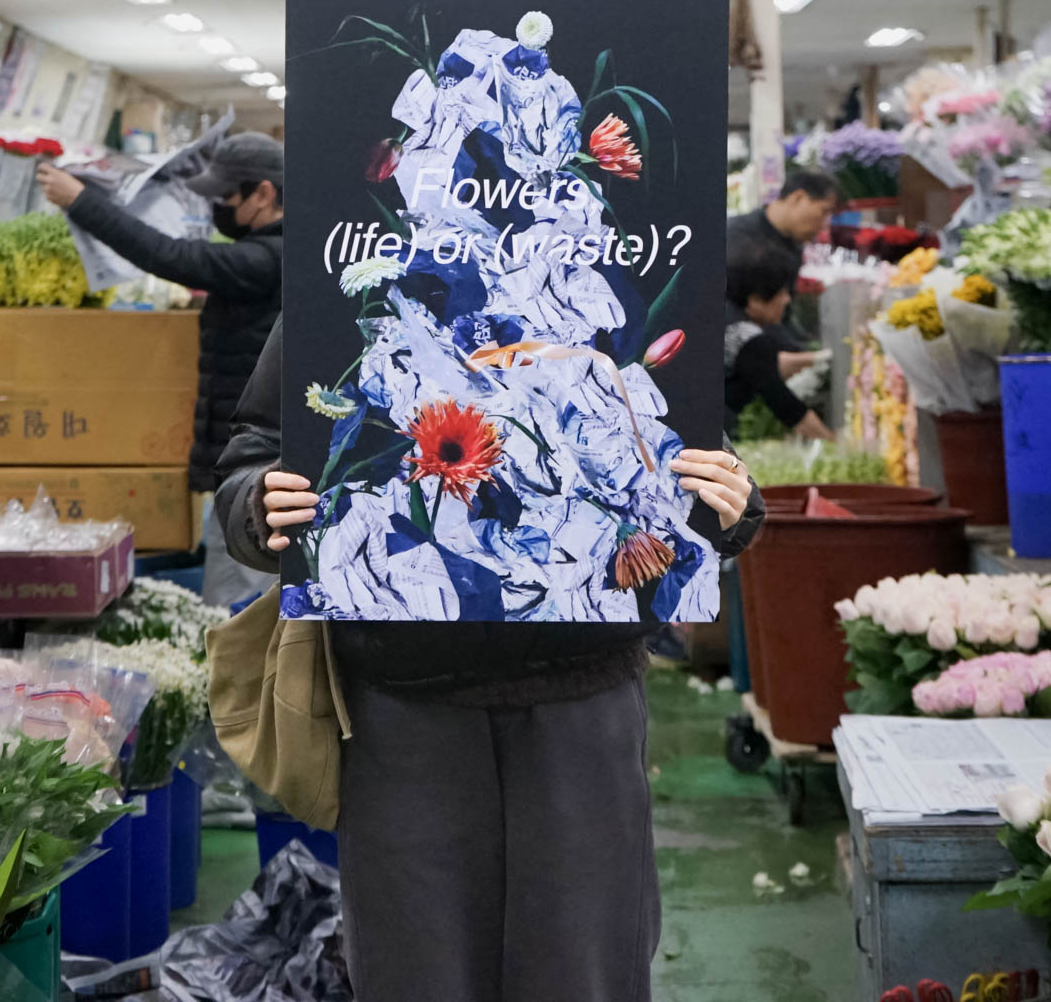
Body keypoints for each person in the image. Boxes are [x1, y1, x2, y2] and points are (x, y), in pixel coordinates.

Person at [214, 323, 764, 1002]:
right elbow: (253, 454)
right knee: (418, 968)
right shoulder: (355, 262)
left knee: (583, 965)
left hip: (579, 706)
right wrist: (257, 503)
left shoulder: (597, 283)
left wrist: (731, 505)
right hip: (402, 709)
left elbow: (706, 464)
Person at [36, 133, 284, 605]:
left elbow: (171, 256)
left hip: (254, 467)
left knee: (234, 603)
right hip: (241, 460)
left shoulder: (268, 259)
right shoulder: (269, 253)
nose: (215, 209)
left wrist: (83, 201)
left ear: (264, 194)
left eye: (224, 197)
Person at [724, 238, 832, 442]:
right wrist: (834, 442)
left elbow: (768, 364)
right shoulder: (745, 335)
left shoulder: (728, 320)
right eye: (781, 293)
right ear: (755, 300)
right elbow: (787, 406)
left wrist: (820, 359)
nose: (786, 300)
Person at [726, 167, 840, 261]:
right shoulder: (736, 240)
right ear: (798, 198)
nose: (824, 225)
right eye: (824, 211)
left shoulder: (791, 242)